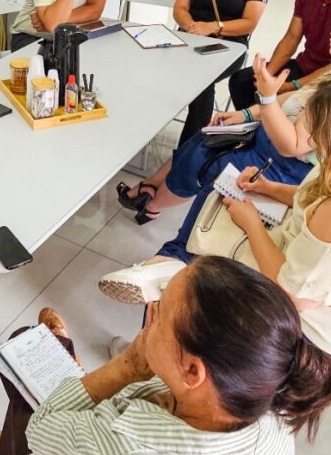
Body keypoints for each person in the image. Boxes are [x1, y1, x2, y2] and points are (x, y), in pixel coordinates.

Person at [0, 258, 331, 455]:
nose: (149, 312)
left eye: (159, 313)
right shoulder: (272, 409)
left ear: (192, 371)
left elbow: (42, 429)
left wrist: (127, 364)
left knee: (25, 355)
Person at [100, 59, 331, 308]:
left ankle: (170, 255)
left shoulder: (324, 205)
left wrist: (267, 97)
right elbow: (293, 101)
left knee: (218, 175)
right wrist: (246, 113)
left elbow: (290, 293)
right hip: (264, 154)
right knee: (207, 142)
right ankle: (168, 250)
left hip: (276, 168)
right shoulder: (325, 84)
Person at [173, 0, 267, 145]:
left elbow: (249, 22)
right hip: (189, 37)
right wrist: (192, 27)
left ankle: (188, 150)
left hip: (230, 45)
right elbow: (180, 9)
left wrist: (213, 27)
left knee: (202, 82)